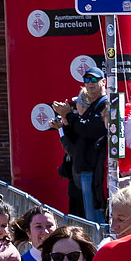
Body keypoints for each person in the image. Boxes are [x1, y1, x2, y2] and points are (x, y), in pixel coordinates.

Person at [51, 66, 109, 224]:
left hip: (94, 168)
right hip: (85, 169)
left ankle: (100, 247)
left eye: (94, 80)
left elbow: (89, 129)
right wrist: (65, 120)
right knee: (90, 217)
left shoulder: (105, 105)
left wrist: (69, 114)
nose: (90, 83)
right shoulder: (94, 106)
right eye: (87, 80)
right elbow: (79, 135)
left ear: (103, 82)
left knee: (95, 218)